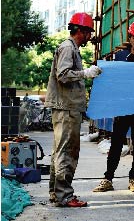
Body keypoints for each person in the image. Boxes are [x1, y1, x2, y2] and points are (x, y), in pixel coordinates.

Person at [45, 12, 102, 207]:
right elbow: (63, 75)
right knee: (67, 152)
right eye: (88, 32)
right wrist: (85, 73)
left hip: (66, 107)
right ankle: (64, 196)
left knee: (60, 151)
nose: (90, 37)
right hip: (66, 108)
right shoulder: (68, 48)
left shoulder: (71, 48)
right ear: (81, 31)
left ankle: (56, 193)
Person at [93, 20, 134, 193]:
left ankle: (133, 179)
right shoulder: (119, 58)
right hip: (122, 108)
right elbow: (111, 82)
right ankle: (108, 179)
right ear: (130, 38)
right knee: (116, 145)